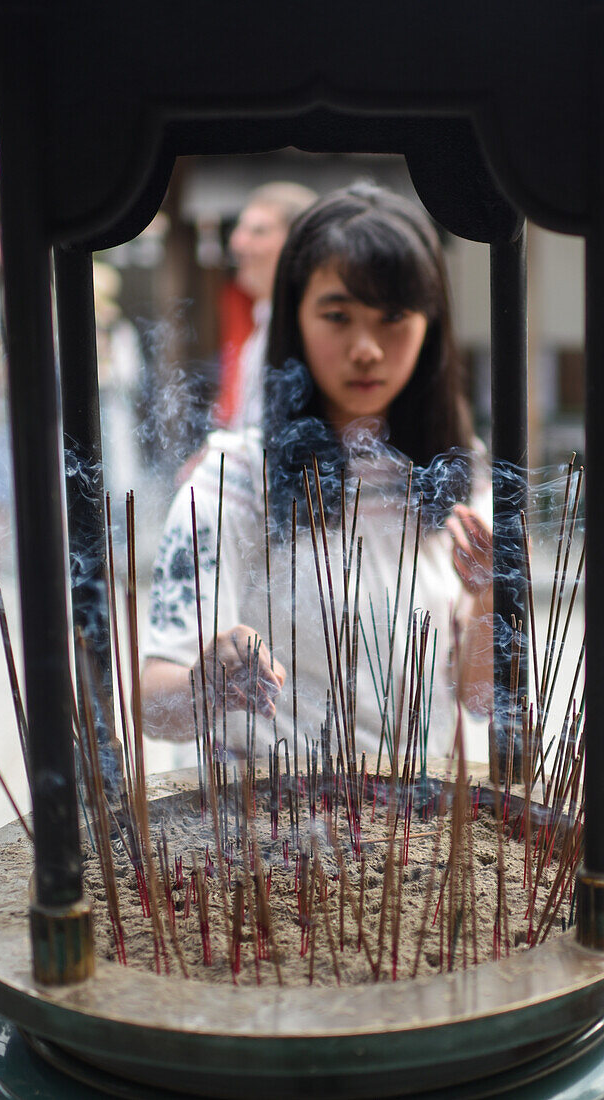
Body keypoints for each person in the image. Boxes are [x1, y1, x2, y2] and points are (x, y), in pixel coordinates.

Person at [142, 182, 493, 765]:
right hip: (259, 831)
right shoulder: (233, 480)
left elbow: (480, 700)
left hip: (409, 827)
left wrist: (489, 599)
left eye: (394, 317)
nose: (366, 349)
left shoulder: (457, 471)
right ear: (295, 318)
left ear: (431, 325)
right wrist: (206, 682)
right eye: (337, 315)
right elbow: (153, 708)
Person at [215, 181, 318, 431]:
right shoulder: (264, 317)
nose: (238, 243)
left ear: (296, 244)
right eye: (240, 229)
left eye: (259, 231)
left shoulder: (307, 326)